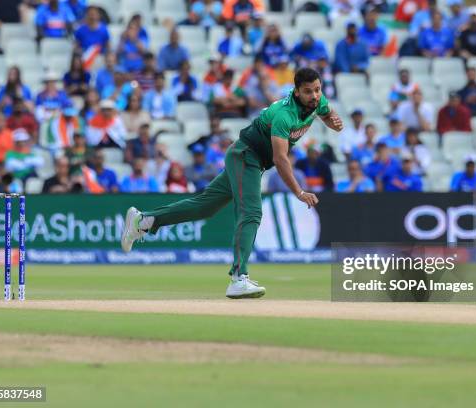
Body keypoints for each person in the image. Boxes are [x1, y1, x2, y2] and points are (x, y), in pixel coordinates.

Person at [120, 68, 343, 298]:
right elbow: (280, 158)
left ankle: (143, 221)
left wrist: (331, 122)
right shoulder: (284, 115)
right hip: (247, 155)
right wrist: (298, 191)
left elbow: (327, 112)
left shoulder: (317, 101)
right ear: (296, 92)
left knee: (204, 206)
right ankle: (238, 278)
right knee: (252, 213)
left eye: (317, 90)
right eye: (308, 92)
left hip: (247, 158)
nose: (315, 96)